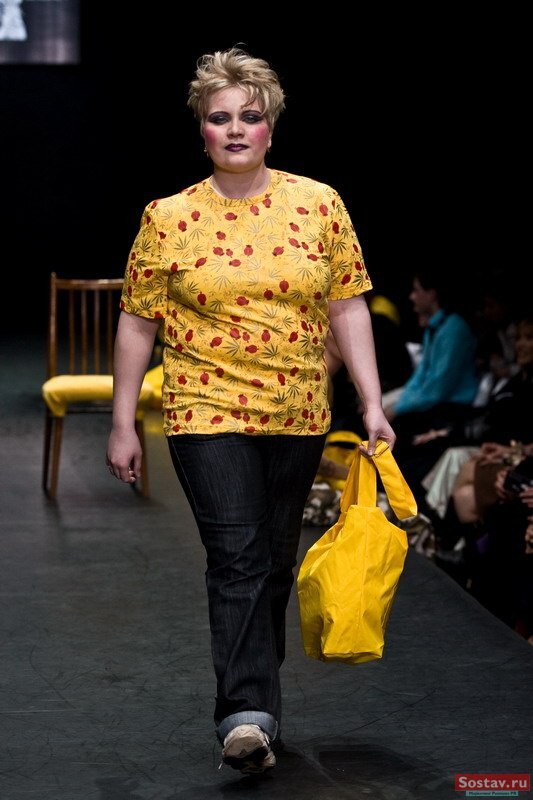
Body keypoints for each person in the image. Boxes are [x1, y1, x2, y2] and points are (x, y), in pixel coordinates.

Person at [105, 46, 395, 776]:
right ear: (201, 129)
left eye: (249, 116)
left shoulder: (319, 204)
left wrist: (370, 401)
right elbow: (138, 321)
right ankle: (243, 714)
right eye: (219, 118)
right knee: (236, 556)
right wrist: (121, 421)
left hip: (297, 409)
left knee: (271, 562)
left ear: (271, 126)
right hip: (204, 409)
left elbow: (348, 305)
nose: (234, 129)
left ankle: (259, 710)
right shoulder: (168, 217)